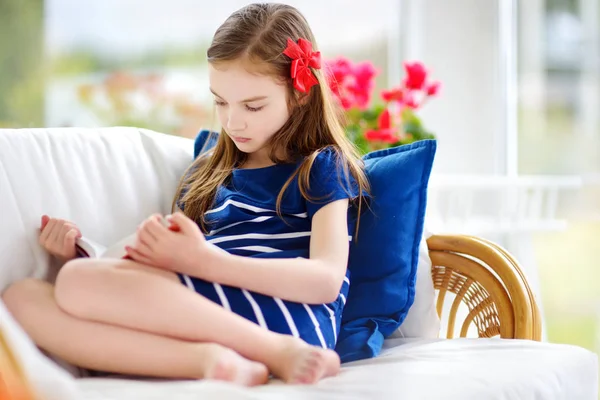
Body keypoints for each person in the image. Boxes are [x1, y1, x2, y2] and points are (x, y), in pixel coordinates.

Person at [1, 3, 369, 386]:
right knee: (22, 297)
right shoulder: (207, 172)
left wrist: (204, 262)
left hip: (287, 320)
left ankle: (272, 351)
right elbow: (167, 272)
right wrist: (73, 256)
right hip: (203, 311)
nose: (232, 121)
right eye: (220, 101)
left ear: (301, 94)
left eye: (253, 106)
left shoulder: (320, 166)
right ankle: (211, 362)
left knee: (79, 283)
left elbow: (325, 279)